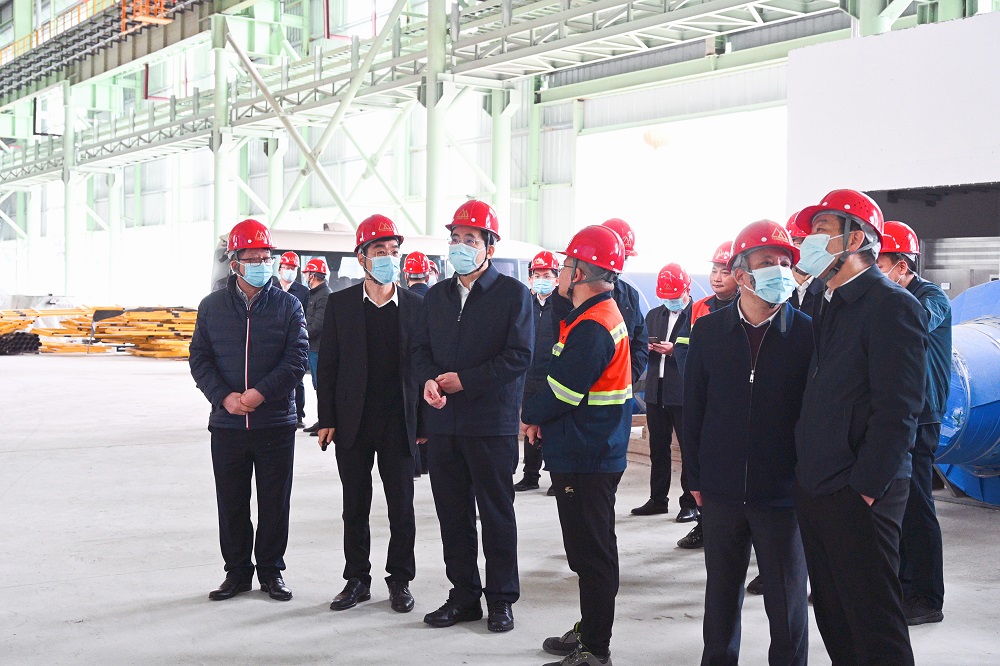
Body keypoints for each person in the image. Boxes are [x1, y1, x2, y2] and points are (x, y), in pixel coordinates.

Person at [793, 189, 927, 665]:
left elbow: (899, 410)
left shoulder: (892, 305)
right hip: (817, 484)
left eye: (821, 231)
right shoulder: (827, 301)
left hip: (860, 491)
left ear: (854, 240)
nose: (809, 242)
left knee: (874, 622)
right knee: (834, 613)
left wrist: (865, 489)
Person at [683, 220, 812, 666]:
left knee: (787, 602)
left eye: (785, 263)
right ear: (741, 275)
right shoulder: (708, 331)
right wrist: (694, 477)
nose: (781, 270)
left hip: (783, 493)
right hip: (719, 491)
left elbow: (816, 417)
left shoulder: (808, 334)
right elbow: (694, 410)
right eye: (768, 262)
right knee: (720, 596)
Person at [412, 199, 534, 633]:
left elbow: (519, 356)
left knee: (496, 513)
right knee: (453, 514)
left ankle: (501, 598)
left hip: (490, 424)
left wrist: (466, 381)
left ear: (489, 247)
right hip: (444, 424)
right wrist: (428, 380)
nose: (460, 246)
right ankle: (463, 595)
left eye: (470, 239)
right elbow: (419, 350)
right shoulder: (436, 296)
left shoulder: (513, 295)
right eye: (455, 239)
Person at [523, 224, 633, 666]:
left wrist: (530, 415)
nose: (559, 273)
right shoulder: (591, 315)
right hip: (588, 446)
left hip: (589, 453)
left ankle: (596, 649)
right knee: (588, 551)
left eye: (565, 266)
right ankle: (590, 629)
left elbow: (564, 391)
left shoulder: (593, 325)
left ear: (581, 274)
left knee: (592, 555)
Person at [189, 218, 309, 602]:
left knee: (275, 502)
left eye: (265, 257)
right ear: (235, 262)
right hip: (227, 423)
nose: (261, 264)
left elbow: (297, 359)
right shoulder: (212, 307)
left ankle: (272, 572)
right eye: (252, 258)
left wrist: (260, 394)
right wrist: (224, 397)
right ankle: (237, 572)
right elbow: (199, 358)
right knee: (232, 502)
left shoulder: (289, 305)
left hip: (275, 422)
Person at [315, 214, 424, 615]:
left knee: (402, 508)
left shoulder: (416, 307)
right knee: (355, 506)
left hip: (400, 423)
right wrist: (327, 418)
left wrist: (423, 424)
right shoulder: (341, 304)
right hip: (353, 422)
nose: (388, 258)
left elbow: (424, 369)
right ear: (361, 257)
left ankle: (400, 580)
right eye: (380, 251)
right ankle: (357, 579)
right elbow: (327, 367)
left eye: (394, 251)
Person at [877, 220, 951, 626]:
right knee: (900, 505)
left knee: (919, 506)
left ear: (902, 266)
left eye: (880, 265)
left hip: (922, 415)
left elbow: (914, 321)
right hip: (898, 413)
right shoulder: (892, 297)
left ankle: (927, 596)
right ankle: (903, 588)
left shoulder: (930, 297)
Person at [677, 240, 737, 550]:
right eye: (714, 271)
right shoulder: (699, 307)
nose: (717, 277)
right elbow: (684, 349)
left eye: (724, 272)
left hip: (732, 397)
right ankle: (703, 525)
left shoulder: (748, 305)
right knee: (700, 460)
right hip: (704, 393)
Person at [632, 263, 698, 523]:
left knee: (688, 449)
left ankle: (690, 503)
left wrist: (675, 351)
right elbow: (640, 343)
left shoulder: (697, 315)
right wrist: (648, 348)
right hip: (656, 390)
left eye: (674, 296)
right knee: (658, 448)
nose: (670, 301)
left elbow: (701, 353)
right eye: (665, 297)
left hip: (681, 391)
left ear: (687, 290)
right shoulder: (653, 315)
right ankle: (657, 499)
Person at [550, 219, 648, 391]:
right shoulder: (567, 294)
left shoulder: (630, 296)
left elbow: (640, 344)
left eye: (624, 258)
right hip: (577, 387)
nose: (619, 261)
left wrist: (625, 378)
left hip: (613, 394)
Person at [514, 250, 560, 495]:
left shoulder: (562, 307)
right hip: (527, 375)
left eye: (547, 275)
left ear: (557, 279)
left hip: (551, 377)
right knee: (529, 422)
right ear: (530, 279)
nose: (542, 280)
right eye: (537, 275)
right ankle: (530, 475)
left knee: (552, 426)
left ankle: (556, 477)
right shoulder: (524, 305)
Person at [274, 251, 310, 427]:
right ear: (279, 269)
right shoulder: (270, 287)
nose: (289, 271)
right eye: (287, 267)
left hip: (293, 340)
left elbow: (307, 317)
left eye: (293, 268)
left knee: (297, 379)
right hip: (273, 340)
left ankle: (299, 415)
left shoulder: (303, 291)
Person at [302, 258, 332, 437]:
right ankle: (322, 420)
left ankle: (325, 422)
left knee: (323, 387)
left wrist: (300, 335)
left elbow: (317, 325)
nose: (305, 277)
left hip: (320, 349)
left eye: (307, 274)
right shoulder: (314, 294)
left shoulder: (324, 295)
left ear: (312, 275)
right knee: (318, 387)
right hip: (313, 348)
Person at [786, 214, 824, 319]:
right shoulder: (777, 287)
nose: (806, 250)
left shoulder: (829, 290)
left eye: (812, 243)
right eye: (800, 243)